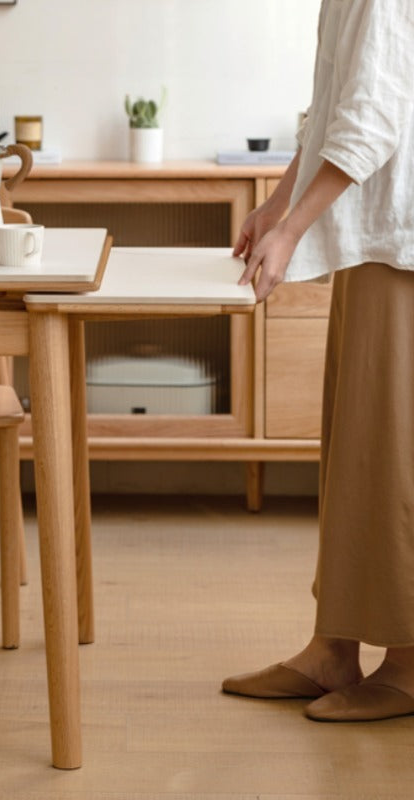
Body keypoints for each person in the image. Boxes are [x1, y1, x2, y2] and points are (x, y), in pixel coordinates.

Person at [221, 0, 414, 721]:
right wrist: (277, 205)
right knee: (353, 447)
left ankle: (408, 663)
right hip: (374, 240)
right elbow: (333, 105)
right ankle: (332, 649)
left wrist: (293, 228)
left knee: (392, 452)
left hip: (401, 244)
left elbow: (373, 119)